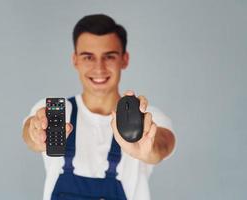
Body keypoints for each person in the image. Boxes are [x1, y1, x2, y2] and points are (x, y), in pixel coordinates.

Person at [22, 14, 176, 200]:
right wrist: (36, 134)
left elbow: (163, 144)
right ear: (75, 60)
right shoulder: (55, 111)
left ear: (124, 59)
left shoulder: (146, 118)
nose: (99, 68)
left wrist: (148, 148)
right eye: (88, 57)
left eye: (109, 56)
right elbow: (30, 134)